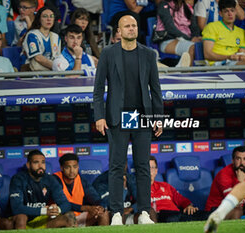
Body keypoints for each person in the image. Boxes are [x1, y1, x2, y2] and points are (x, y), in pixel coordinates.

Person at [93, 14, 163, 225]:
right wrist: (99, 116)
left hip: (141, 116)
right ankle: (116, 213)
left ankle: (143, 213)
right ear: (119, 31)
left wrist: (157, 118)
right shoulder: (107, 53)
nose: (132, 29)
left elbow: (156, 90)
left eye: (134, 25)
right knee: (116, 166)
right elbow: (98, 90)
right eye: (127, 26)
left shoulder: (149, 54)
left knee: (142, 166)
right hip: (117, 116)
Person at [8, 150, 75, 229]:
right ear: (28, 165)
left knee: (70, 216)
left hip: (42, 219)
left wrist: (57, 210)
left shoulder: (50, 179)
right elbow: (16, 208)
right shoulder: (18, 179)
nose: (40, 166)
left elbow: (66, 204)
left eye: (43, 162)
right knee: (21, 218)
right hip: (25, 220)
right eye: (36, 162)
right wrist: (43, 211)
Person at [54, 153, 110, 226]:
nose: (72, 171)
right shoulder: (55, 180)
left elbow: (95, 198)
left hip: (78, 216)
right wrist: (87, 208)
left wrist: (100, 207)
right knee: (70, 216)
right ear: (61, 168)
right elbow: (63, 204)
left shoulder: (82, 181)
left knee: (103, 214)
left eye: (75, 167)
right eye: (67, 167)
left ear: (78, 167)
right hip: (62, 217)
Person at [204, 146, 245, 219]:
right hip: (215, 210)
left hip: (239, 208)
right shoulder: (223, 174)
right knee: (237, 211)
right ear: (233, 161)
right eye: (238, 159)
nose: (241, 163)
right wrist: (240, 182)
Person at [150, 156, 200, 222]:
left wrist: (189, 206)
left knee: (205, 215)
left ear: (156, 171)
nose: (149, 170)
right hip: (162, 215)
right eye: (147, 167)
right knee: (172, 217)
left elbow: (181, 200)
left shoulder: (165, 185)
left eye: (152, 167)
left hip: (177, 214)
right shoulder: (138, 189)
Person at [202, 0, 245, 66]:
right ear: (220, 13)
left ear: (235, 12)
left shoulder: (241, 31)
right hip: (217, 64)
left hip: (235, 63)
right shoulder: (211, 27)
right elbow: (207, 55)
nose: (230, 14)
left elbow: (242, 53)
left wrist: (243, 57)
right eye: (226, 11)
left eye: (232, 10)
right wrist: (228, 57)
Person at [155, 0, 201, 66]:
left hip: (186, 40)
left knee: (204, 45)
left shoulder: (187, 7)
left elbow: (194, 27)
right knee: (193, 47)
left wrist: (196, 37)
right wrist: (190, 39)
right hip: (169, 41)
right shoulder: (164, 5)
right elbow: (170, 28)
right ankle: (187, 74)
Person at [22, 6, 61, 71]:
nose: (49, 19)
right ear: (39, 19)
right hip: (33, 72)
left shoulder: (56, 37)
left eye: (51, 16)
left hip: (51, 71)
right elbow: (38, 58)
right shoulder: (32, 35)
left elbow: (57, 57)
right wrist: (56, 67)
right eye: (45, 16)